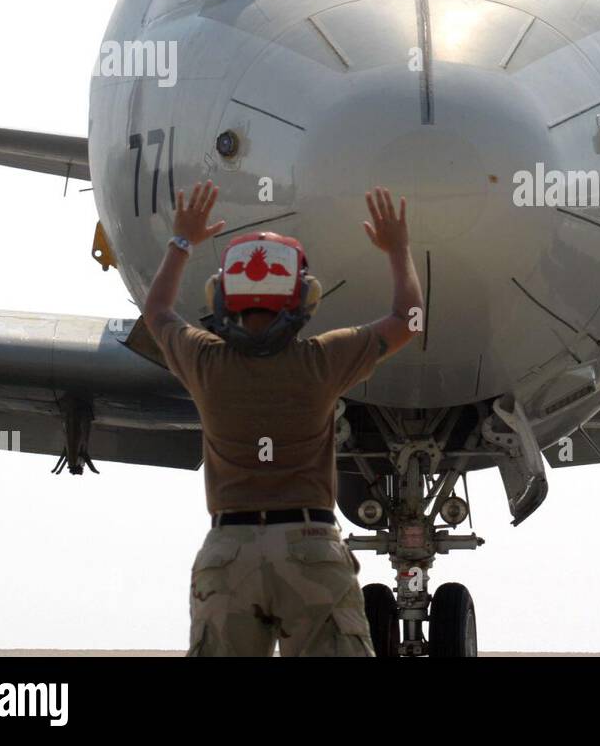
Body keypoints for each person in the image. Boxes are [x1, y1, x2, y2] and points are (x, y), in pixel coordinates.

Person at [143, 182, 423, 656]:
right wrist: (398, 250)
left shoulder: (205, 362)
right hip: (310, 547)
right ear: (302, 300)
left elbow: (157, 312)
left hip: (228, 552)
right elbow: (409, 318)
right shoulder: (322, 360)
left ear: (222, 297)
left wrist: (182, 240)